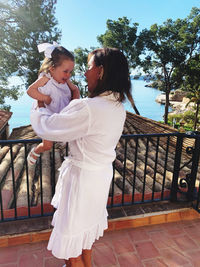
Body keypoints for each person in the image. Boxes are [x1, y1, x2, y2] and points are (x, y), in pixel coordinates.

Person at [30, 47, 135, 267]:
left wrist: (39, 105)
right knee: (84, 238)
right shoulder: (117, 106)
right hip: (98, 178)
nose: (85, 74)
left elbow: (48, 127)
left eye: (89, 68)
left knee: (72, 249)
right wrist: (75, 99)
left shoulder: (90, 108)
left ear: (100, 72)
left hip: (82, 181)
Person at [27, 42, 80, 165]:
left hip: (61, 114)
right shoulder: (45, 78)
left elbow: (75, 90)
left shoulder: (66, 81)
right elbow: (30, 91)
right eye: (65, 71)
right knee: (47, 145)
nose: (68, 75)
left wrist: (73, 105)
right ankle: (35, 151)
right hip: (47, 115)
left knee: (71, 138)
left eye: (70, 72)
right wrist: (45, 98)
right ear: (52, 68)